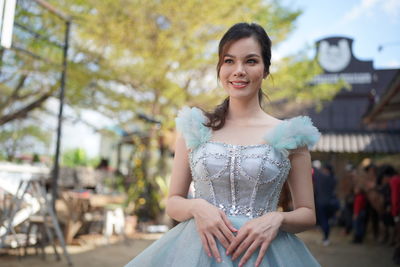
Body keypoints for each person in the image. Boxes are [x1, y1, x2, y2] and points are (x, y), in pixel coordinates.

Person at [124, 22, 321, 267]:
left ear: (266, 69)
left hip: (264, 253)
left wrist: (276, 220)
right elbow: (173, 201)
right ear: (220, 68)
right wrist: (196, 207)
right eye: (229, 61)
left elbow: (307, 213)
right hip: (196, 253)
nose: (238, 70)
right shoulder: (196, 127)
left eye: (250, 61)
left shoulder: (291, 135)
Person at [313, 163, 338, 246]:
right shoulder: (333, 178)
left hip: (321, 203)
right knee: (326, 221)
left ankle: (326, 238)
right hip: (331, 203)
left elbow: (315, 171)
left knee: (324, 221)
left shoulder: (320, 177)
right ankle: (326, 237)